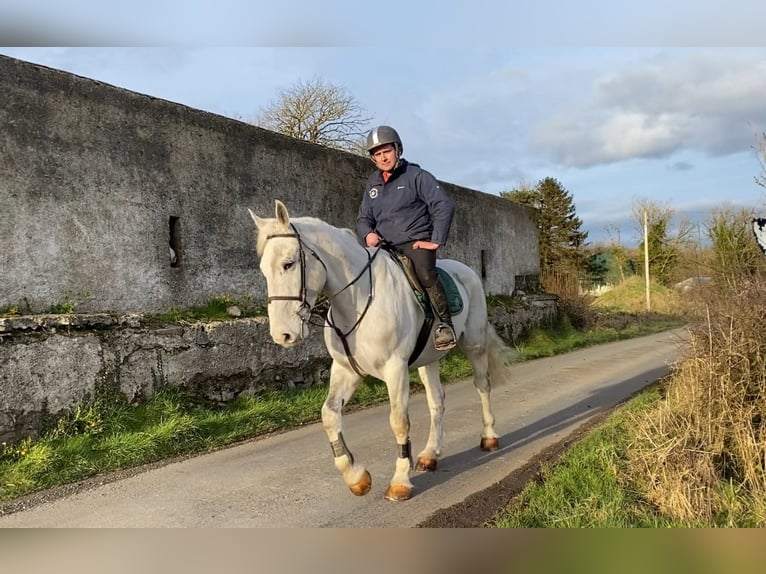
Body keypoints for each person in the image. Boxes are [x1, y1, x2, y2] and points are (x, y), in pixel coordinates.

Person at [356, 125, 457, 351]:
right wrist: (368, 234)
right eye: (377, 154)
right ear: (373, 158)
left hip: (415, 243)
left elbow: (444, 204)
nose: (383, 158)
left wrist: (436, 240)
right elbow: (363, 218)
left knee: (424, 273)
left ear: (397, 149)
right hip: (384, 248)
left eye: (387, 151)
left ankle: (444, 325)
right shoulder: (372, 184)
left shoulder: (417, 176)